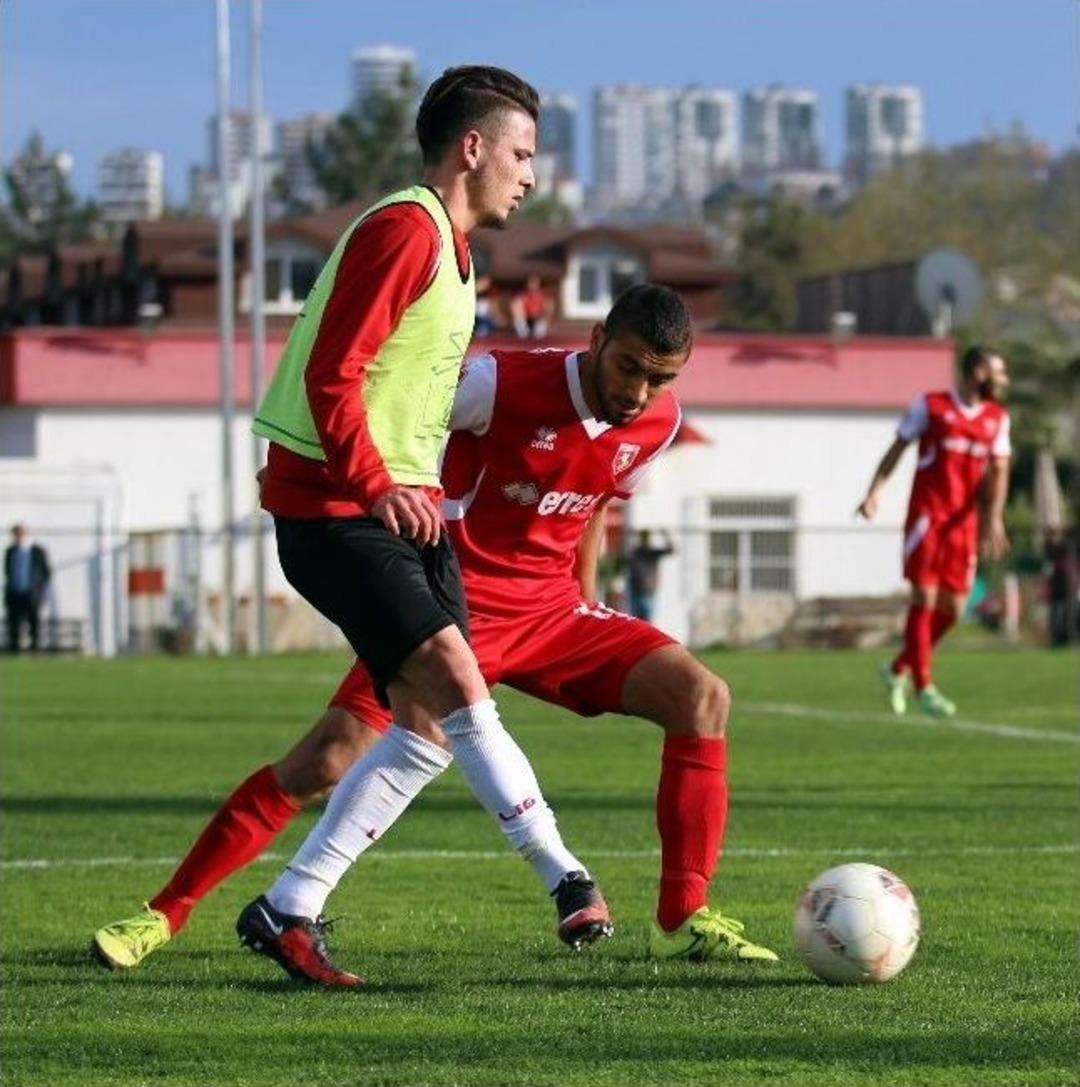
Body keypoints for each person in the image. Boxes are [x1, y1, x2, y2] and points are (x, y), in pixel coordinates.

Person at [92, 286, 777, 982]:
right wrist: (317, 474)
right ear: (597, 338)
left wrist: (587, 601)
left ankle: (682, 918)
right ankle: (164, 912)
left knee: (701, 695)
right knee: (325, 758)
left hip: (551, 612)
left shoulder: (657, 424)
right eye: (630, 367)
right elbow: (386, 418)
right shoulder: (498, 382)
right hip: (449, 607)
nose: (640, 390)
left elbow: (595, 499)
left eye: (661, 377)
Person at [93, 65, 608, 983]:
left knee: (417, 730)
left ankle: (289, 905)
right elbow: (335, 372)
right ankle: (564, 875)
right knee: (455, 679)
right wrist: (375, 485)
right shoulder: (405, 230)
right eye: (523, 154)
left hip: (402, 515)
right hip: (339, 509)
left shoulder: (456, 251)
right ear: (473, 148)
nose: (533, 176)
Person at [857, 345, 1011, 717]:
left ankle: (898, 669)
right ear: (977, 372)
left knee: (954, 608)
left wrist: (994, 517)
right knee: (924, 598)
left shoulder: (996, 418)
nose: (1004, 379)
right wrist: (874, 492)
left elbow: (1000, 471)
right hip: (927, 516)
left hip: (963, 523)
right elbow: (898, 448)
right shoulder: (931, 405)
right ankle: (925, 688)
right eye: (998, 371)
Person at [4, 524, 51, 653]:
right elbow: (8, 571)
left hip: (32, 593)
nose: (17, 538)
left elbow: (46, 572)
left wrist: (40, 590)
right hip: (15, 592)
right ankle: (14, 649)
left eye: (19, 534)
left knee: (34, 622)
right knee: (14, 623)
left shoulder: (37, 551)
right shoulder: (10, 551)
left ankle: (35, 649)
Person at [626, 529, 675, 621]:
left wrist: (666, 536)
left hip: (648, 593)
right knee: (636, 623)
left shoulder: (652, 553)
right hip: (636, 593)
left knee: (647, 622)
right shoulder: (636, 552)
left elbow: (671, 550)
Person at [511, 274, 551, 339]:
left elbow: (548, 308)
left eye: (534, 283)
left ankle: (539, 331)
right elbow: (515, 306)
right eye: (531, 283)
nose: (533, 285)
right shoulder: (522, 295)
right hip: (525, 318)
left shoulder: (542, 295)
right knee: (516, 304)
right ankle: (523, 331)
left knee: (548, 305)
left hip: (537, 318)